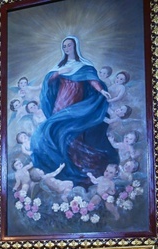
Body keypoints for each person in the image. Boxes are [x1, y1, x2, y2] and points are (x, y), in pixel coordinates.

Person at [30, 36, 119, 187]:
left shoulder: (83, 65)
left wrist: (101, 91)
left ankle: (76, 164)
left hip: (76, 100)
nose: (66, 48)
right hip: (61, 100)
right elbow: (49, 81)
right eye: (64, 46)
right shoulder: (59, 66)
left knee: (74, 131)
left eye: (69, 45)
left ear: (75, 46)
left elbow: (92, 80)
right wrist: (59, 72)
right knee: (58, 128)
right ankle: (62, 164)